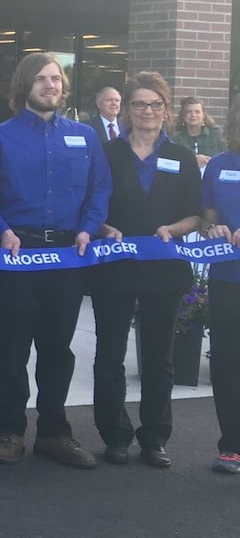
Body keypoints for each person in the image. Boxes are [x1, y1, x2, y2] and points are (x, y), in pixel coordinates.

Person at [0, 53, 110, 469]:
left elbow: (99, 189)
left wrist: (89, 226)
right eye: (40, 79)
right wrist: (4, 230)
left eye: (55, 79)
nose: (50, 85)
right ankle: (10, 432)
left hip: (68, 256)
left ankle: (54, 433)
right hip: (17, 255)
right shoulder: (0, 137)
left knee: (57, 349)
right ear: (24, 86)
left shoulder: (84, 137)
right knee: (12, 348)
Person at [91, 72, 201, 469]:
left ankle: (154, 437)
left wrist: (173, 229)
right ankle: (114, 435)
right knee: (109, 355)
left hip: (164, 268)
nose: (147, 111)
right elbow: (91, 206)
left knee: (159, 359)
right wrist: (104, 229)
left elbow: (195, 214)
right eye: (139, 103)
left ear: (166, 110)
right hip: (114, 268)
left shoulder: (181, 157)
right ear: (127, 109)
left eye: (155, 104)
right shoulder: (106, 153)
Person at [200, 99, 240, 476]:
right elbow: (208, 219)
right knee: (227, 362)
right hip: (227, 277)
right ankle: (232, 444)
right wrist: (212, 229)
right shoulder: (220, 165)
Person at [171, 96, 222, 168]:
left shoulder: (216, 134)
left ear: (203, 115)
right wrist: (192, 160)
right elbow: (171, 164)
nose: (193, 115)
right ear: (183, 115)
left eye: (197, 112)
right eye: (189, 112)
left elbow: (224, 159)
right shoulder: (175, 138)